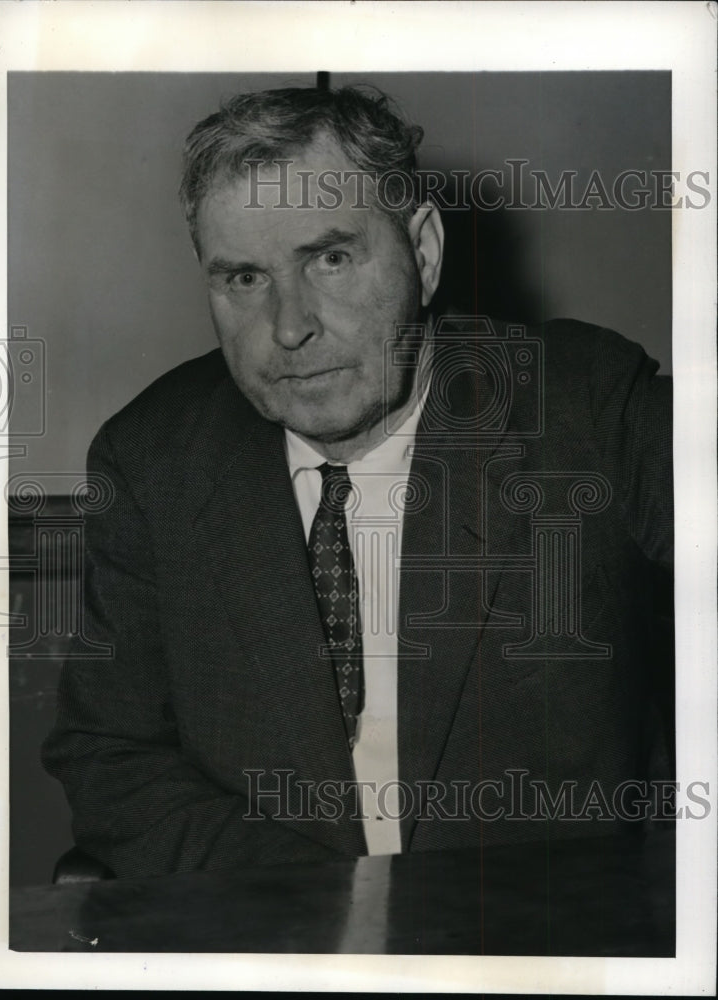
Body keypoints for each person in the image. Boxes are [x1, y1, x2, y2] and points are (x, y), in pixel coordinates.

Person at [42, 86, 674, 879]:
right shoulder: (152, 459)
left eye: (330, 258)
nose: (289, 325)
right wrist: (318, 910)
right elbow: (110, 754)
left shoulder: (585, 405)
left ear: (424, 252)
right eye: (243, 278)